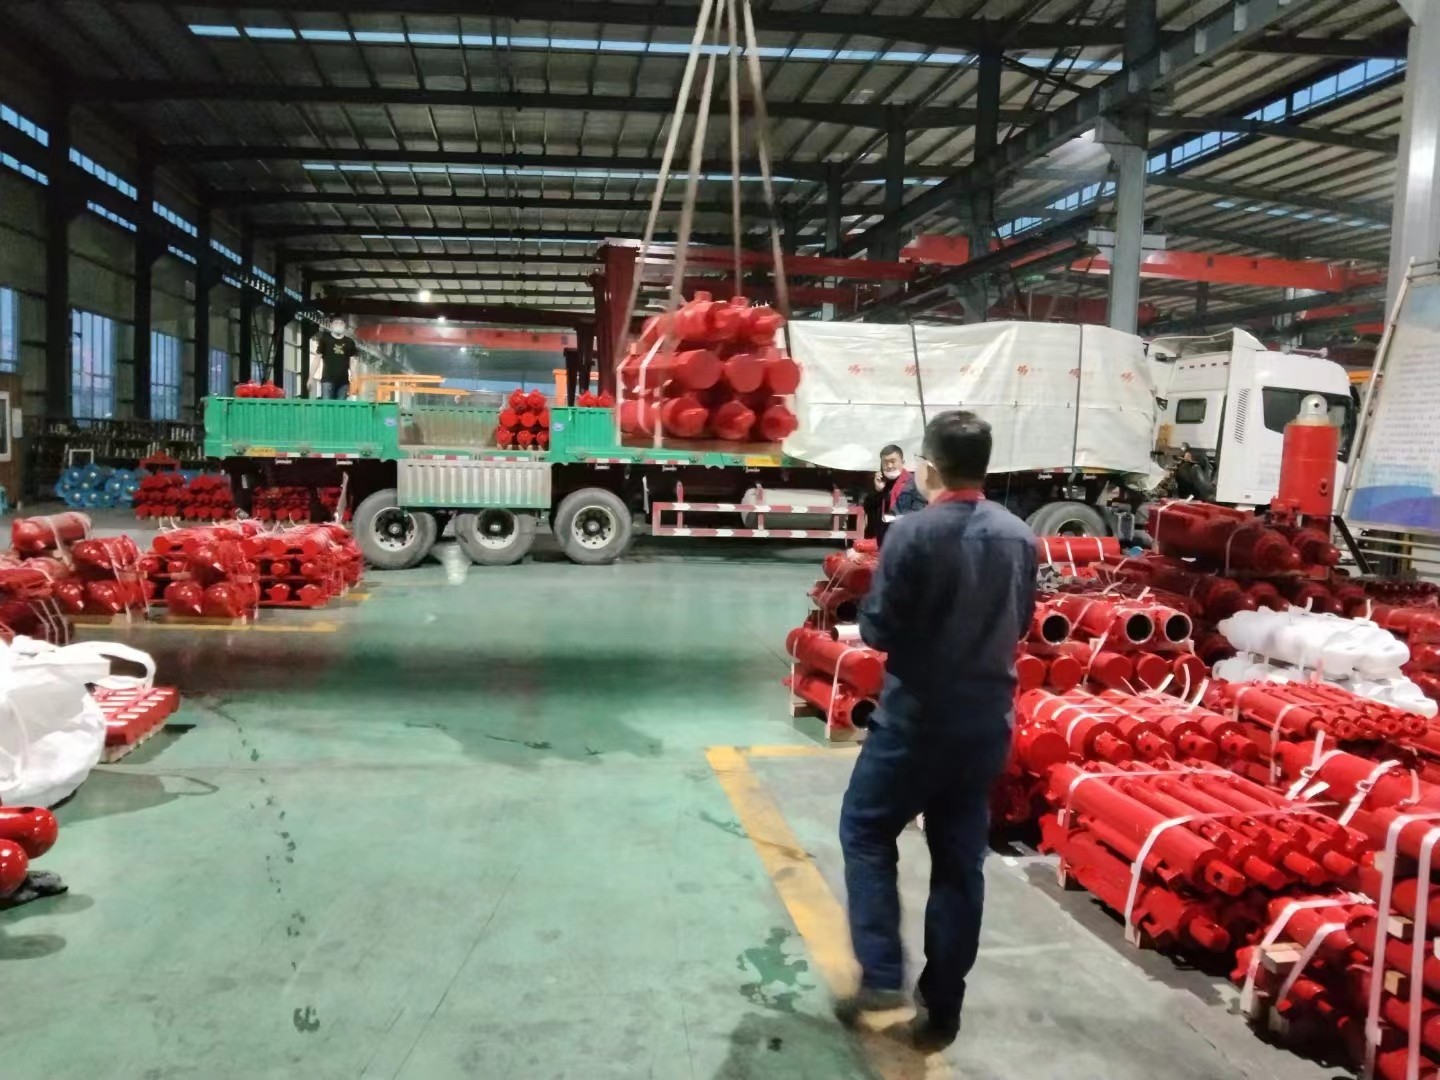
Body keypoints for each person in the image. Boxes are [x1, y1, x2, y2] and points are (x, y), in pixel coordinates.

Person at [835, 410, 1037, 1051]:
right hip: (984, 727)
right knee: (958, 862)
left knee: (866, 830)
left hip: (915, 724)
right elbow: (1022, 621)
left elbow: (878, 630)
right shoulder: (1018, 535)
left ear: (929, 467)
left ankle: (881, 977)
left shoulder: (913, 535)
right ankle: (943, 1008)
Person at [864, 444, 926, 544]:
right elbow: (867, 509)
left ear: (902, 462)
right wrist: (877, 491)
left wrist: (895, 518)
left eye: (893, 461)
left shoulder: (914, 483)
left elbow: (920, 512)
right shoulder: (879, 481)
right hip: (879, 540)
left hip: (903, 540)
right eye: (885, 462)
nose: (889, 466)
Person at [313, 318, 358, 399]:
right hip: (327, 380)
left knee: (341, 406)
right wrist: (310, 377)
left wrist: (355, 379)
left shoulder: (350, 342)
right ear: (331, 324)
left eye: (341, 323)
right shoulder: (325, 340)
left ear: (344, 325)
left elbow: (352, 363)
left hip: (343, 382)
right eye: (336, 322)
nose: (339, 325)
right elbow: (317, 359)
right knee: (326, 405)